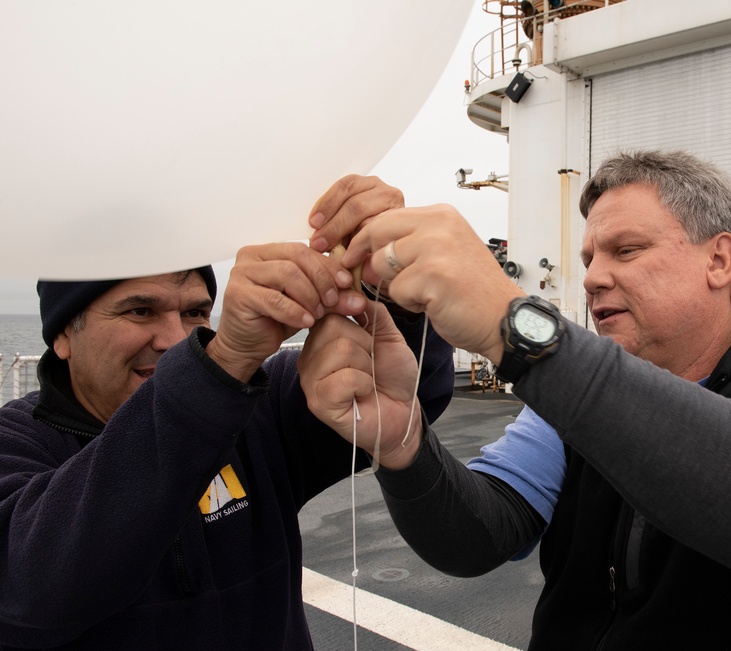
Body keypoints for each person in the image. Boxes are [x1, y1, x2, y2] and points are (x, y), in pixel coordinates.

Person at [303, 150, 731, 649]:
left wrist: (516, 327)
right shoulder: (564, 411)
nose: (592, 276)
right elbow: (479, 536)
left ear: (720, 260)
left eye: (626, 250)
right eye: (590, 257)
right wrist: (405, 442)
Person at [0, 176, 454, 649]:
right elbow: (31, 593)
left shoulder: (256, 410)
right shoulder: (15, 444)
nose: (175, 341)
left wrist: (389, 288)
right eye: (139, 311)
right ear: (62, 336)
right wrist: (223, 361)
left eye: (196, 314)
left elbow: (408, 386)